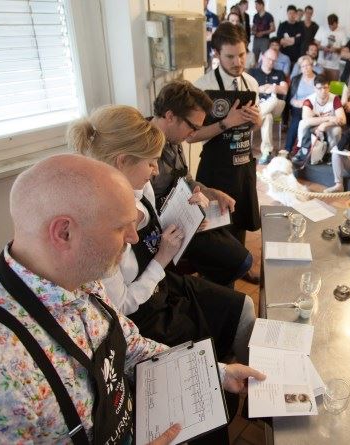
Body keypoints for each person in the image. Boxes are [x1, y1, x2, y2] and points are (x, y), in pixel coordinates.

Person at [0, 153, 265, 443]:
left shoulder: (84, 279)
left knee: (219, 407)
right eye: (121, 227)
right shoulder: (1, 366)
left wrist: (217, 373)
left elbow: (131, 346)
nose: (134, 237)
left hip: (134, 419)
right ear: (65, 232)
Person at [69, 105, 256, 367]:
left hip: (164, 284)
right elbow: (122, 305)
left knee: (243, 306)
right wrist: (162, 259)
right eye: (150, 163)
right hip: (143, 318)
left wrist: (188, 218)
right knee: (211, 352)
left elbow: (156, 228)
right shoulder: (100, 232)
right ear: (122, 161)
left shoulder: (140, 188)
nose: (156, 170)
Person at [149, 80, 254, 287]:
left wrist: (210, 192)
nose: (193, 134)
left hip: (187, 219)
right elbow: (142, 210)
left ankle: (212, 291)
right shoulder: (143, 150)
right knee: (239, 263)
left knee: (240, 259)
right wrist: (184, 221)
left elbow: (185, 179)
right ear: (170, 116)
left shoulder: (172, 140)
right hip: (167, 233)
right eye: (193, 127)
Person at [190, 22, 261, 250]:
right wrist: (227, 122)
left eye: (242, 55)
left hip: (243, 164)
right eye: (230, 56)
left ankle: (240, 261)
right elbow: (191, 136)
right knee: (214, 228)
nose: (238, 62)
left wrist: (256, 121)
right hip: (216, 167)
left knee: (239, 223)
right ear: (216, 54)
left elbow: (252, 129)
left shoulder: (251, 83)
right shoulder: (202, 87)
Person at [292, 75, 346, 164]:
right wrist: (329, 118)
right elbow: (306, 119)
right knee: (302, 123)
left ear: (329, 87)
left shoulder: (335, 99)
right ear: (314, 89)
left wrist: (325, 124)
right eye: (319, 88)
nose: (323, 91)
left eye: (325, 87)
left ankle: (331, 153)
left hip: (329, 126)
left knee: (337, 130)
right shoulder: (309, 100)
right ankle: (301, 149)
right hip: (314, 126)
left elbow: (343, 120)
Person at [249, 48, 288, 164]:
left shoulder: (279, 73)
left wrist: (271, 87)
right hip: (260, 104)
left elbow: (284, 90)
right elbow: (248, 89)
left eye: (273, 60)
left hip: (277, 105)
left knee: (274, 100)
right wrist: (261, 88)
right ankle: (267, 152)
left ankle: (252, 121)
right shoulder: (253, 72)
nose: (271, 62)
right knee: (268, 117)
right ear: (262, 57)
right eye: (269, 59)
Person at [285, 55, 317, 151]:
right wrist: (296, 103)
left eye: (307, 65)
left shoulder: (318, 79)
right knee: (295, 123)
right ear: (300, 68)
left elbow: (322, 96)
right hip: (298, 108)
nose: (305, 68)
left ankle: (304, 150)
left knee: (307, 125)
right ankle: (287, 150)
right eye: (303, 66)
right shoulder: (296, 79)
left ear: (312, 66)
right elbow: (291, 98)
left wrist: (307, 104)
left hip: (314, 108)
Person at [313, 13, 347, 81]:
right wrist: (323, 48)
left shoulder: (342, 32)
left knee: (333, 86)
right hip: (320, 64)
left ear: (337, 23)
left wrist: (336, 50)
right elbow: (315, 44)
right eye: (330, 26)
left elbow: (345, 49)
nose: (331, 28)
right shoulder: (322, 28)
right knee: (319, 84)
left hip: (334, 66)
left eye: (333, 26)